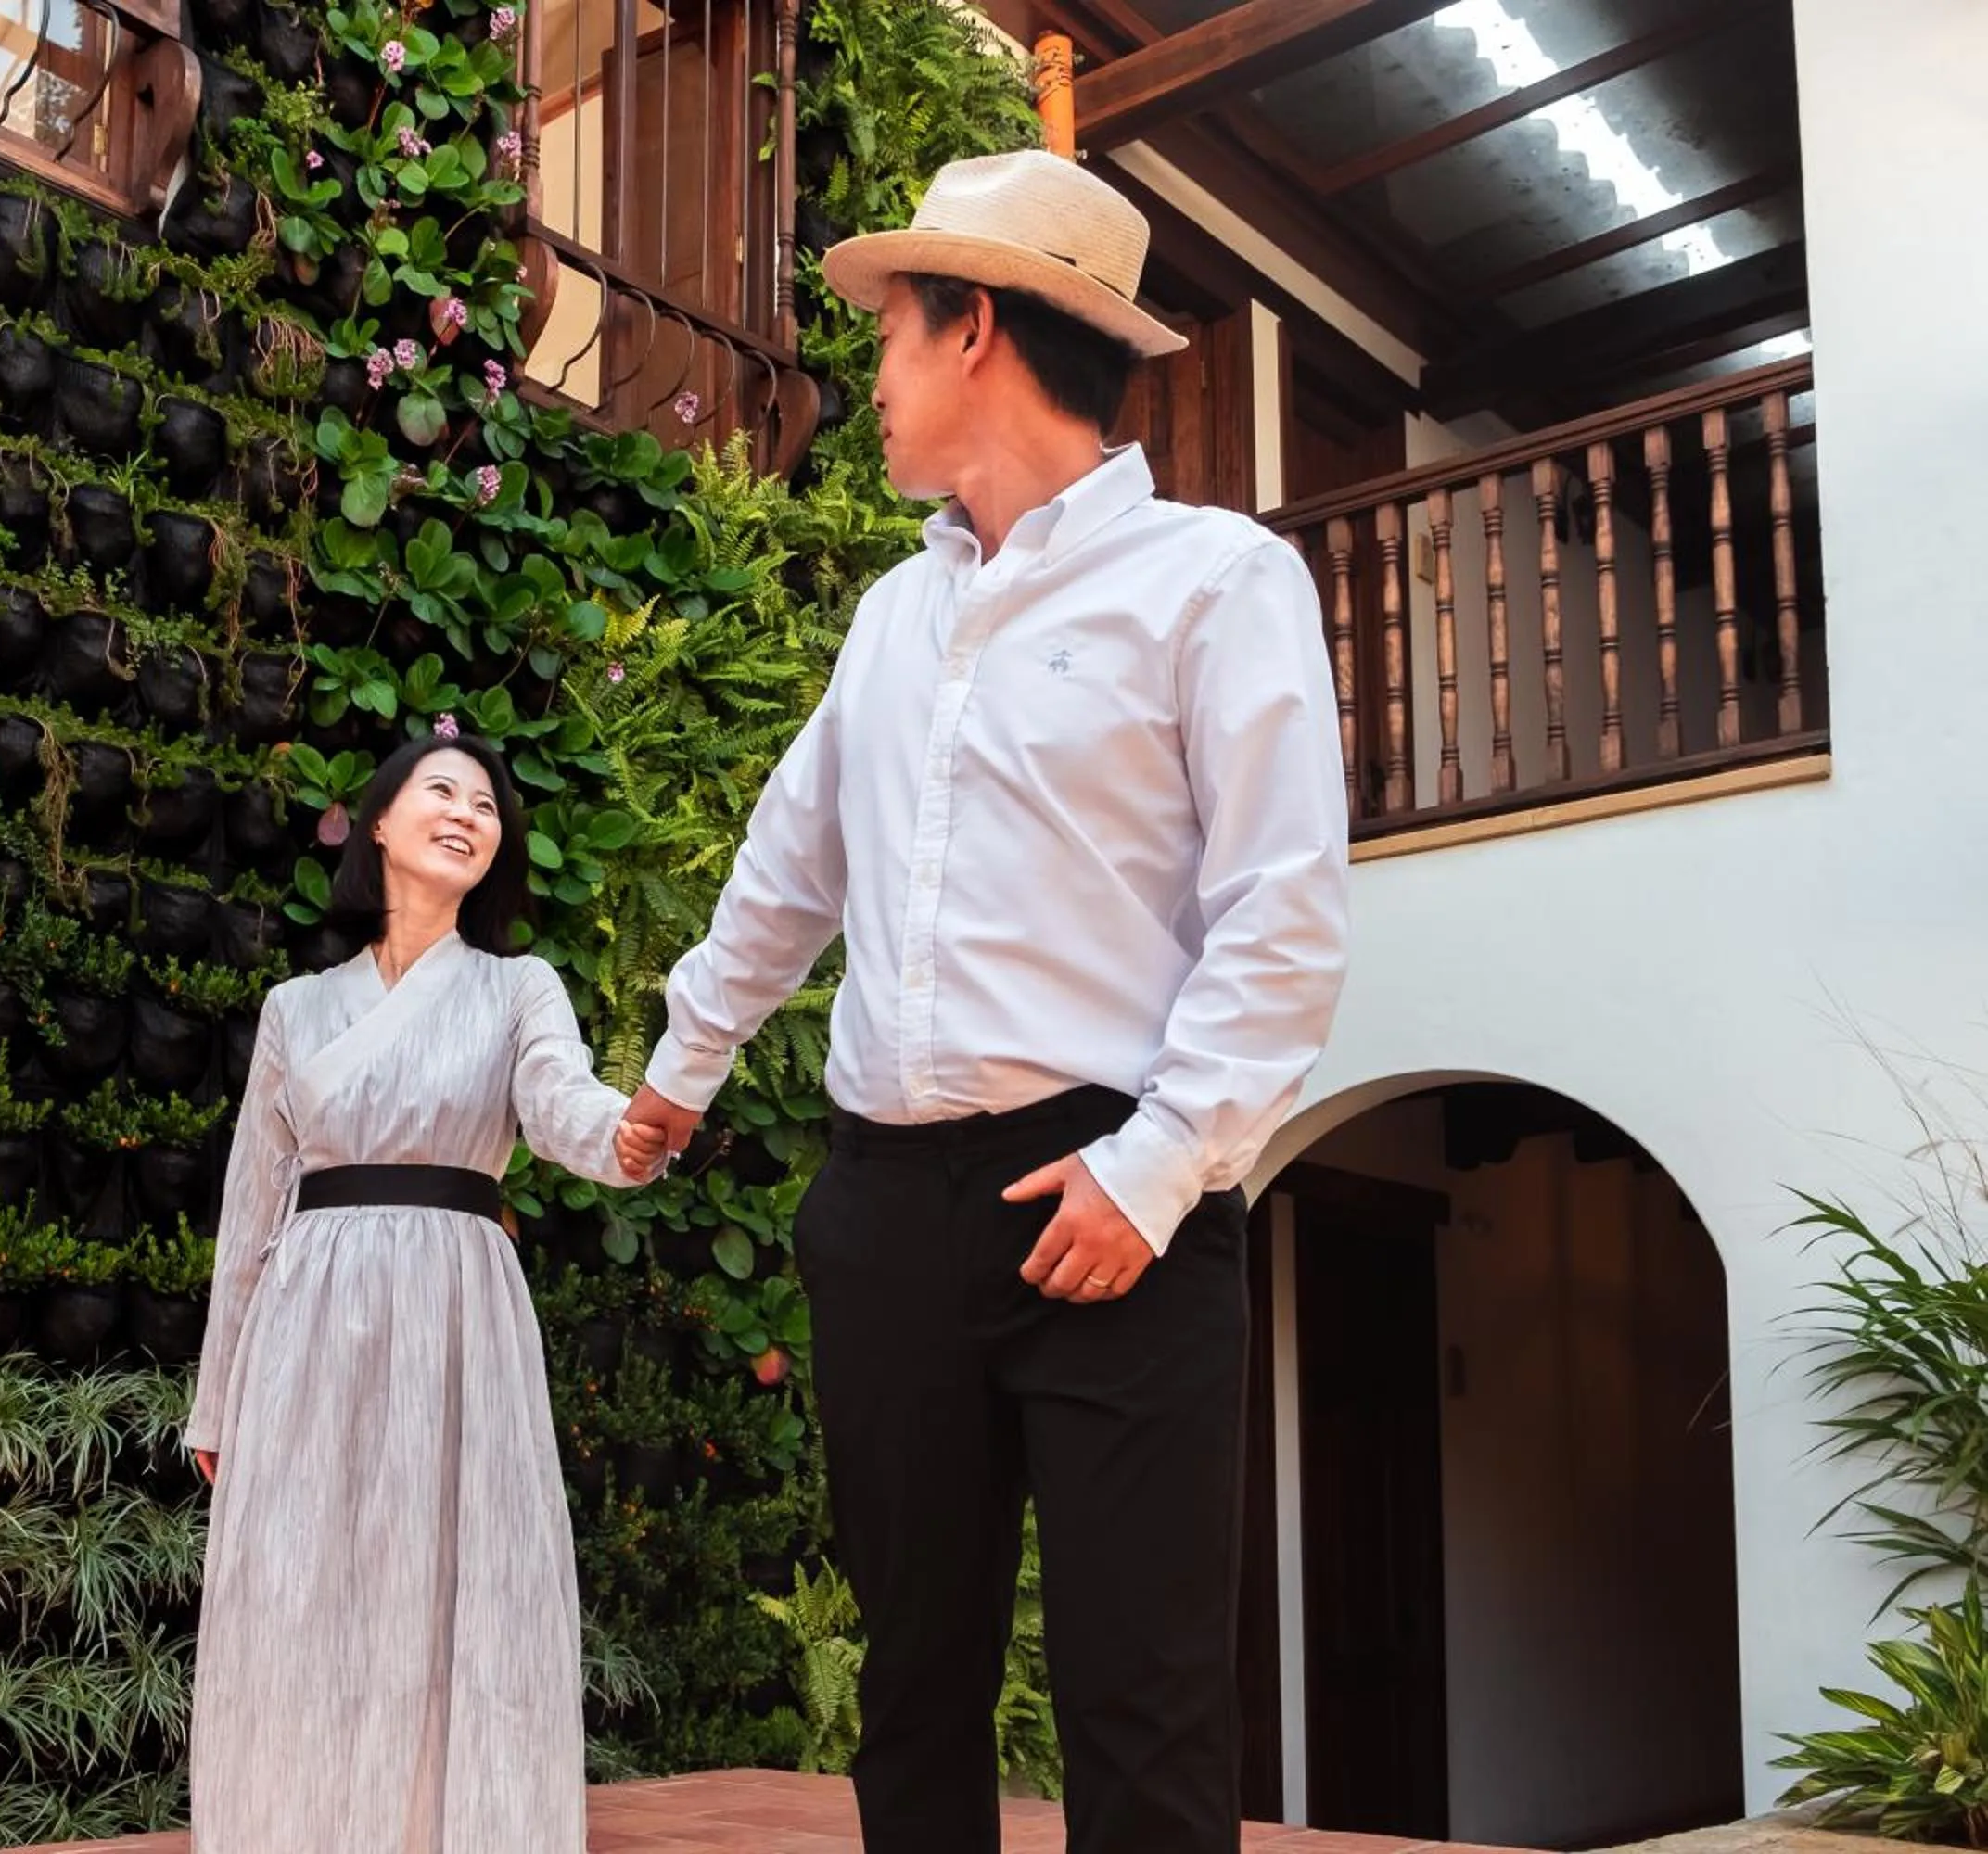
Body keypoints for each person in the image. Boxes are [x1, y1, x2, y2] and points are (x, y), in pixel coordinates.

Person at [622, 148, 1351, 1854]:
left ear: (974, 331)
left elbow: (1285, 912)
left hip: (1119, 1204)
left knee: (1143, 1701)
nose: (862, 375)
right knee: (914, 1689)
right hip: (886, 1208)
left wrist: (1159, 1164)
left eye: (886, 329)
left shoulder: (1217, 581)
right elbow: (790, 866)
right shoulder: (892, 615)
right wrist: (685, 1066)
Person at [183, 730, 666, 1853]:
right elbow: (253, 1211)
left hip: (458, 1310)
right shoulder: (296, 1009)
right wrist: (218, 1397)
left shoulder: (516, 988)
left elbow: (563, 1103)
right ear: (381, 823)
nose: (467, 813)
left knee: (465, 1583)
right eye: (440, 792)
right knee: (304, 1589)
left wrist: (634, 1132)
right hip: (310, 1315)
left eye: (487, 805)